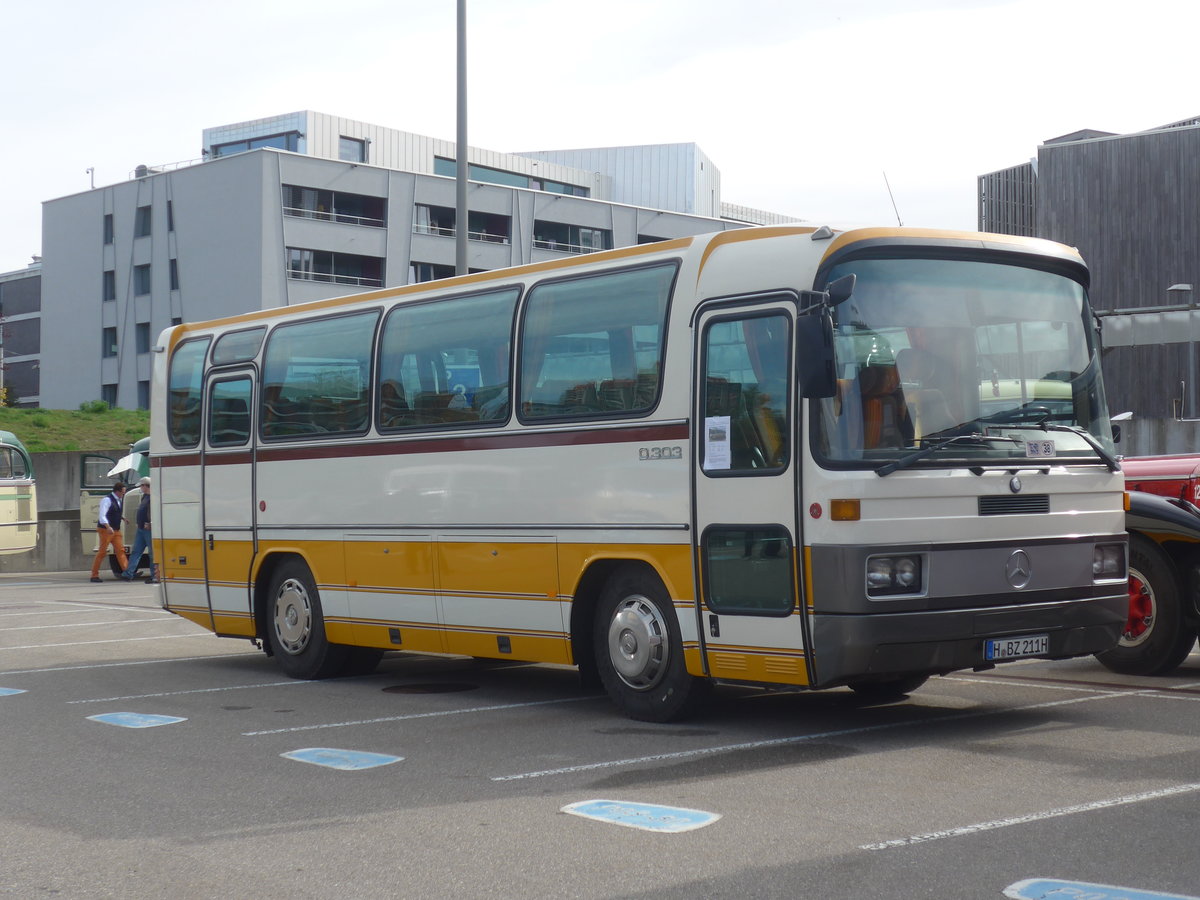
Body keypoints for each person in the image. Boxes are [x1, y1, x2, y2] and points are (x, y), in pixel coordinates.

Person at [90, 481, 129, 583]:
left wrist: (122, 518)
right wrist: (108, 527)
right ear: (117, 491)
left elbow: (114, 512)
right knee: (102, 552)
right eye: (122, 492)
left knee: (120, 550)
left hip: (115, 529)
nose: (123, 494)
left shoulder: (118, 500)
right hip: (106, 530)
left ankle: (127, 572)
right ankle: (94, 575)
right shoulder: (107, 500)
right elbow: (102, 515)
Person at [121, 476, 156, 583]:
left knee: (152, 553)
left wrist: (150, 523)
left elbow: (154, 512)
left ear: (146, 486)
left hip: (148, 529)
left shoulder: (153, 497)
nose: (140, 488)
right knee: (136, 551)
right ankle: (128, 573)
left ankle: (154, 575)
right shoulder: (145, 496)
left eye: (142, 485)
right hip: (141, 528)